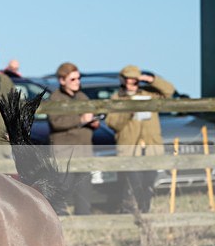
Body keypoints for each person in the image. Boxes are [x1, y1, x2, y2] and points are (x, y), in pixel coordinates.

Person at [106, 65, 175, 213]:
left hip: (151, 146)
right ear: (122, 80)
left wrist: (152, 80)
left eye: (134, 80)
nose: (130, 84)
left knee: (149, 181)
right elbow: (112, 123)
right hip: (130, 148)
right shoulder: (117, 98)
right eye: (127, 80)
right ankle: (133, 211)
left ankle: (145, 211)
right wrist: (128, 112)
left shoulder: (149, 95)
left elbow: (169, 91)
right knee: (134, 182)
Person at [48, 62, 100, 215]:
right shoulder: (55, 99)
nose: (77, 82)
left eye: (78, 78)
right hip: (65, 154)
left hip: (84, 152)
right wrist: (81, 120)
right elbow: (56, 122)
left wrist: (93, 122)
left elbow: (89, 116)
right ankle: (59, 221)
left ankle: (84, 220)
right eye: (73, 79)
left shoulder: (82, 97)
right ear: (62, 80)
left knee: (84, 193)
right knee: (62, 191)